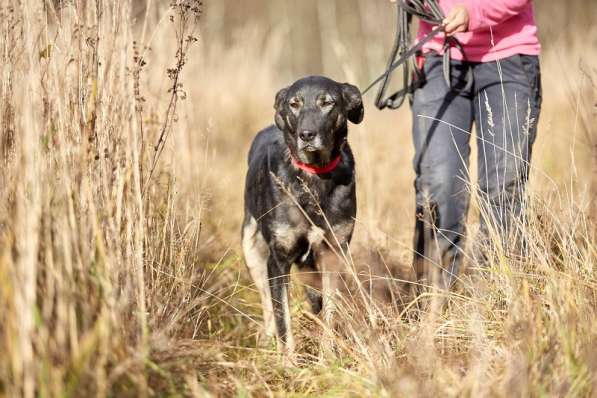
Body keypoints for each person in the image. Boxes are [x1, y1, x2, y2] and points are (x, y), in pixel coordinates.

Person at [396, 1, 542, 288]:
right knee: (439, 183)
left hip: (509, 56)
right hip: (438, 56)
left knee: (504, 186)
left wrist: (472, 13)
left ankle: (501, 297)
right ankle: (433, 303)